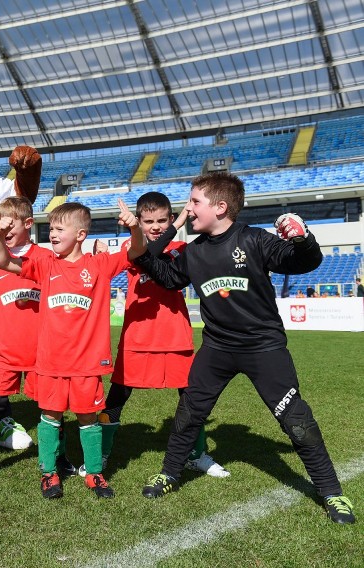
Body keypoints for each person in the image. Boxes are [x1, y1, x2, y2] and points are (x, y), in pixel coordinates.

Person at [129, 172, 355, 525]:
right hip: (217, 348)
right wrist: (165, 231)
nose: (187, 209)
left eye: (194, 203)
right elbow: (163, 273)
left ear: (220, 207)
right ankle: (170, 473)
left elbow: (303, 262)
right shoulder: (194, 251)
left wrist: (303, 240)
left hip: (264, 349)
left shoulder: (254, 240)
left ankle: (332, 493)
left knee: (297, 421)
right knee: (189, 414)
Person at [0, 202, 141, 499]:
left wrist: (134, 227)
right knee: (50, 416)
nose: (53, 233)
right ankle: (49, 474)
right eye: (51, 228)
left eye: (60, 229)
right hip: (50, 363)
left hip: (87, 363)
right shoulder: (46, 264)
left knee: (88, 418)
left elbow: (136, 251)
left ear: (81, 234)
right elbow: (3, 262)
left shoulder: (98, 265)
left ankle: (95, 473)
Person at [98, 191, 229, 478]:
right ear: (139, 223)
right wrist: (173, 223)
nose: (155, 226)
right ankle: (100, 454)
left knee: (190, 398)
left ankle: (197, 454)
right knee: (117, 397)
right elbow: (147, 252)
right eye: (148, 221)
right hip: (137, 338)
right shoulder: (131, 244)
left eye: (161, 220)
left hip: (175, 337)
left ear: (170, 219)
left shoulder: (183, 248)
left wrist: (182, 223)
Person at [0, 197, 78, 485]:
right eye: (1, 221)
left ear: (27, 223)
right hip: (3, 351)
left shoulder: (47, 258)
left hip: (43, 351)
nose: (5, 227)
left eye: (11, 222)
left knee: (53, 409)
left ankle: (58, 456)